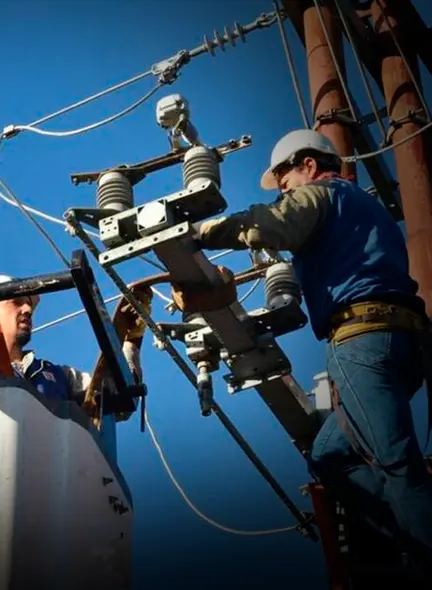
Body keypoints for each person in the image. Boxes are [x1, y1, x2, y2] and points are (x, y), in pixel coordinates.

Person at [188, 128, 432, 566]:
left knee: (395, 463)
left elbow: (273, 224)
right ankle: (408, 534)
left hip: (361, 341)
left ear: (310, 165)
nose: (282, 184)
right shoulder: (364, 207)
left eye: (284, 173)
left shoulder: (321, 195)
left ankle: (422, 544)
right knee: (329, 455)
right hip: (406, 344)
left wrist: (201, 233)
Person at [0, 274, 146, 460]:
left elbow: (116, 403)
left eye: (29, 304)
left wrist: (130, 341)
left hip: (58, 488)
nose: (27, 309)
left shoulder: (61, 376)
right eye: (16, 301)